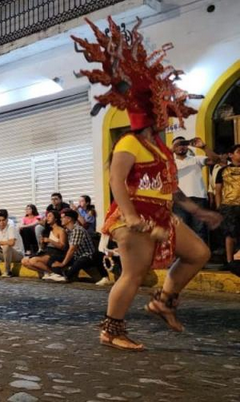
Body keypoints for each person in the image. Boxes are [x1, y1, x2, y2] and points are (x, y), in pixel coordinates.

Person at [72, 18, 219, 351]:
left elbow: (167, 186)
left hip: (162, 214)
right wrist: (132, 218)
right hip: (134, 215)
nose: (168, 114)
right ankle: (112, 330)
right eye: (163, 110)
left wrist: (196, 209)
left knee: (198, 253)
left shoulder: (161, 148)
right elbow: (116, 181)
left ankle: (164, 301)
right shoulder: (129, 144)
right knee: (133, 275)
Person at [172, 136, 220, 243]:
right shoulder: (170, 162)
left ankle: (201, 258)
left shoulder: (196, 159)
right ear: (173, 148)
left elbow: (216, 160)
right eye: (178, 145)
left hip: (198, 199)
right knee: (182, 232)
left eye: (184, 144)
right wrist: (170, 150)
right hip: (180, 201)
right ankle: (185, 258)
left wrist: (204, 147)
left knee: (200, 231)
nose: (181, 147)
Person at [50, 209, 112, 285]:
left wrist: (63, 263)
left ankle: (67, 276)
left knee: (80, 261)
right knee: (53, 258)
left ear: (69, 219)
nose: (60, 219)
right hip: (76, 256)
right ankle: (62, 274)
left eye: (63, 217)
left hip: (87, 256)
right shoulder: (68, 231)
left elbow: (72, 249)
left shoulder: (78, 230)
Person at [214, 144, 240, 265]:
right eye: (238, 152)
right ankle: (230, 261)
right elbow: (218, 190)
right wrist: (219, 207)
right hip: (228, 206)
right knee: (229, 234)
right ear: (231, 155)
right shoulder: (223, 171)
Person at [20, 210, 65, 278]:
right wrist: (41, 243)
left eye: (50, 216)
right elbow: (43, 247)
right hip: (46, 251)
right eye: (47, 216)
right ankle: (46, 272)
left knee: (33, 261)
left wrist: (50, 240)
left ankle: (53, 273)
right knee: (24, 261)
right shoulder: (47, 230)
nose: (47, 218)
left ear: (55, 219)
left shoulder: (61, 230)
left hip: (56, 253)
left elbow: (62, 246)